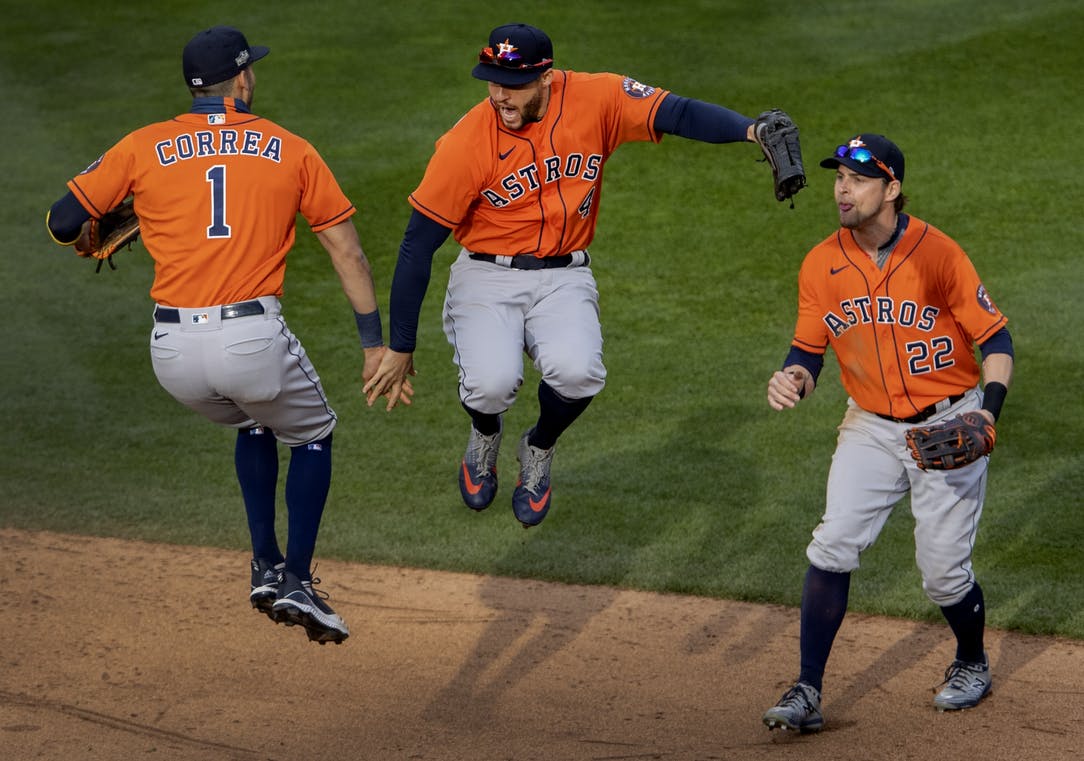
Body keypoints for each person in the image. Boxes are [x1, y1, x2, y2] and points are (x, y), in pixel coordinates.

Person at [46, 25, 406, 644]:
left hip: (172, 356)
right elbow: (347, 253)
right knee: (315, 433)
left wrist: (117, 205)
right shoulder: (290, 148)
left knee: (255, 420)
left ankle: (263, 565)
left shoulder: (141, 145)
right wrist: (375, 343)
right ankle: (295, 578)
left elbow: (63, 224)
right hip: (250, 339)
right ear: (241, 79)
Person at [363, 22, 796, 527]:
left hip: (564, 275)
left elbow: (674, 112)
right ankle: (485, 434)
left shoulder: (598, 98)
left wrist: (749, 129)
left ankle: (538, 447)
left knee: (579, 374)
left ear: (546, 77)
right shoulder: (465, 143)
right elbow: (417, 245)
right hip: (487, 274)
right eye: (492, 80)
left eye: (514, 83)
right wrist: (400, 344)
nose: (500, 95)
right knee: (491, 388)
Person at [760, 133, 1014, 731]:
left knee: (943, 570)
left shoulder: (939, 254)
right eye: (838, 177)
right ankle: (806, 690)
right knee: (833, 543)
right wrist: (793, 378)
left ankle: (972, 662)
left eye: (858, 178)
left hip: (949, 422)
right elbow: (807, 349)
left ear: (891, 188)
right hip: (870, 426)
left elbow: (996, 339)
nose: (842, 189)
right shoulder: (821, 261)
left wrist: (987, 412)